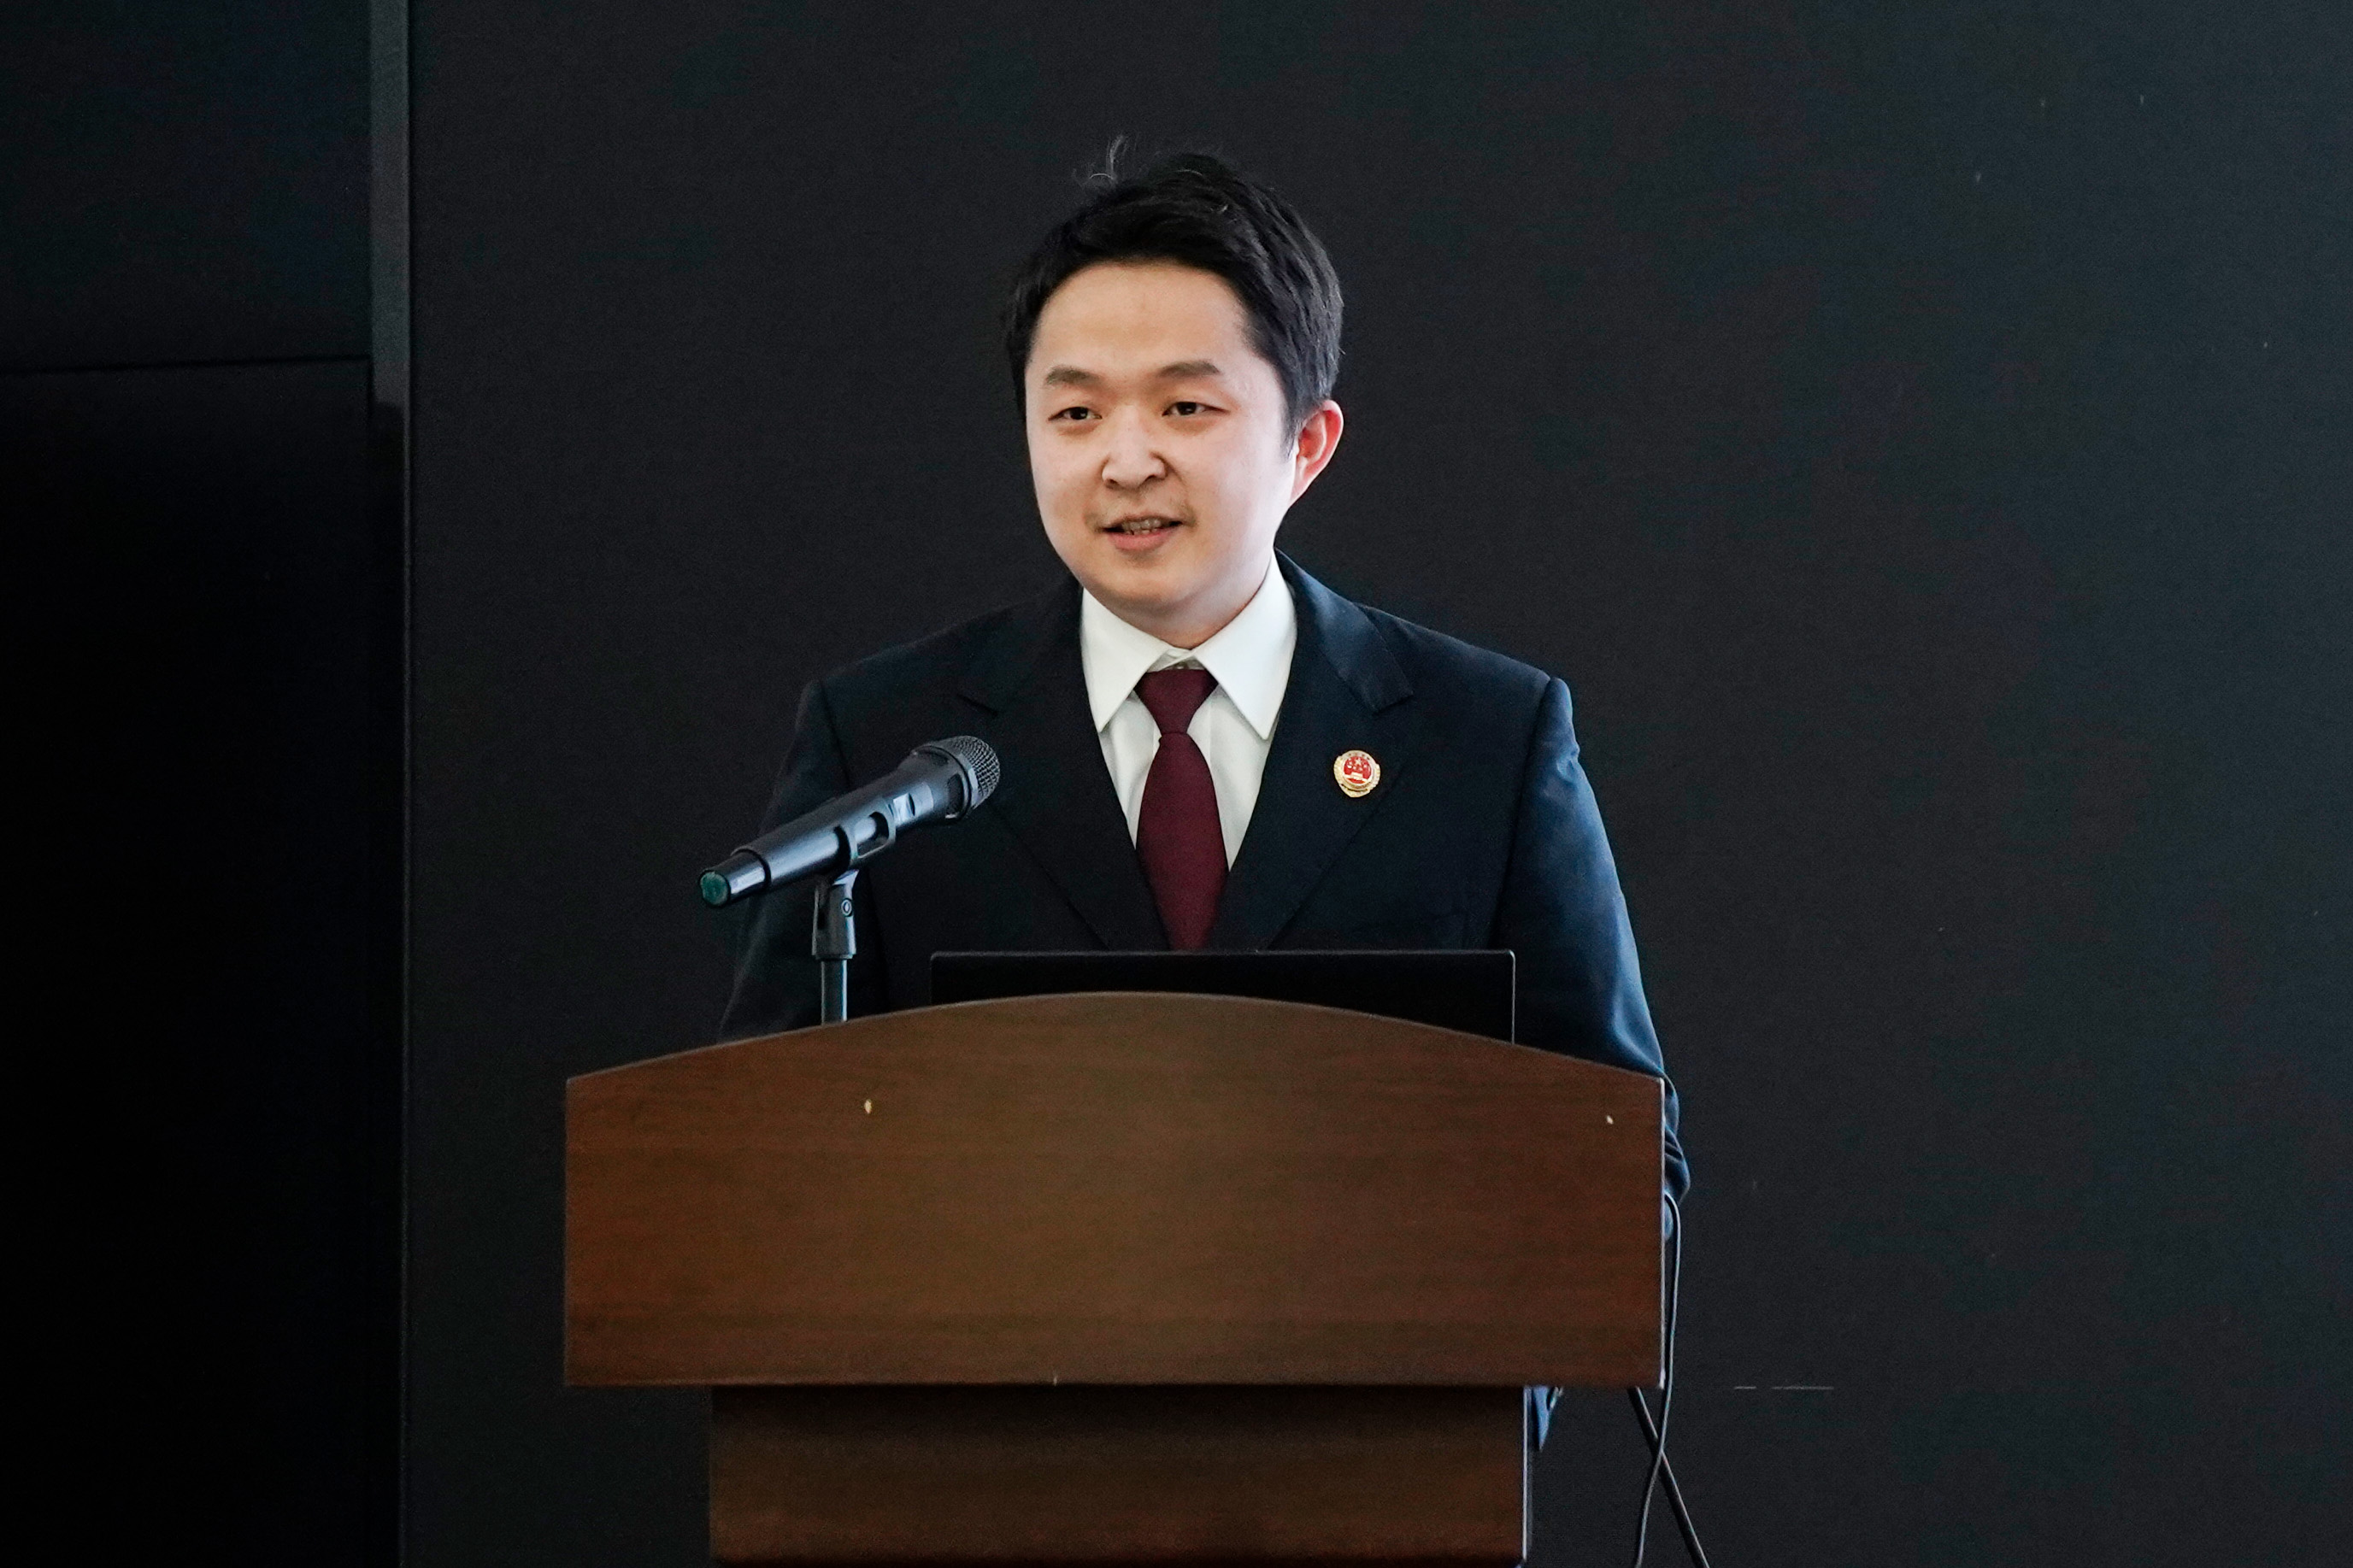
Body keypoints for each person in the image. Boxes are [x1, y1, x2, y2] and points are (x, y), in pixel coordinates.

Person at [721, 151, 1686, 1201]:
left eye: (1183, 408)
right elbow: (758, 1147)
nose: (1125, 460)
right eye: (1076, 414)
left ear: (1306, 443)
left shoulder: (1482, 738)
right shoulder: (885, 740)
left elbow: (1621, 1154)